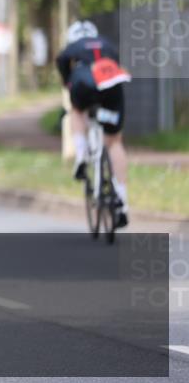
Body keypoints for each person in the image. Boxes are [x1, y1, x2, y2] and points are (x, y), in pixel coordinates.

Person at [55, 20, 132, 228]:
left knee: (77, 111)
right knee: (115, 142)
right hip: (111, 86)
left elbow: (61, 59)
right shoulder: (106, 43)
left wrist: (66, 80)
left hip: (84, 84)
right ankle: (122, 200)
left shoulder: (74, 46)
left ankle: (81, 155)